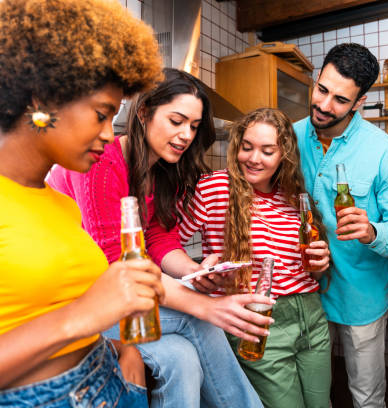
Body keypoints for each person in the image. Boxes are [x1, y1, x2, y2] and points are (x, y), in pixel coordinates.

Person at [0, 0, 167, 407]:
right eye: (102, 114)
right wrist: (78, 318)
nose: (109, 134)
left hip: (112, 383)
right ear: (41, 98)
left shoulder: (60, 205)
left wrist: (126, 352)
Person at [48, 68, 268, 408]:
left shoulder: (164, 170)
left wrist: (195, 273)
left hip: (124, 298)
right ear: (143, 112)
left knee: (180, 359)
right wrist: (207, 306)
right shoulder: (103, 161)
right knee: (199, 319)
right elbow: (114, 263)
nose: (186, 135)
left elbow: (159, 237)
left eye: (193, 127)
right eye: (176, 121)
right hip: (81, 300)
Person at [293, 43, 388, 408]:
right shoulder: (289, 137)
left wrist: (373, 232)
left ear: (359, 102)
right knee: (309, 391)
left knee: (365, 396)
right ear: (317, 78)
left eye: (339, 99)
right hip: (301, 292)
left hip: (360, 297)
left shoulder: (387, 154)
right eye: (321, 89)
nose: (323, 105)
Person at [177, 107, 333, 408]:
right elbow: (165, 242)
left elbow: (309, 270)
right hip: (258, 321)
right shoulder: (215, 188)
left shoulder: (293, 195)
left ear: (283, 155)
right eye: (246, 147)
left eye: (267, 150)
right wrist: (199, 270)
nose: (253, 158)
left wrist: (320, 264)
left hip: (311, 319)